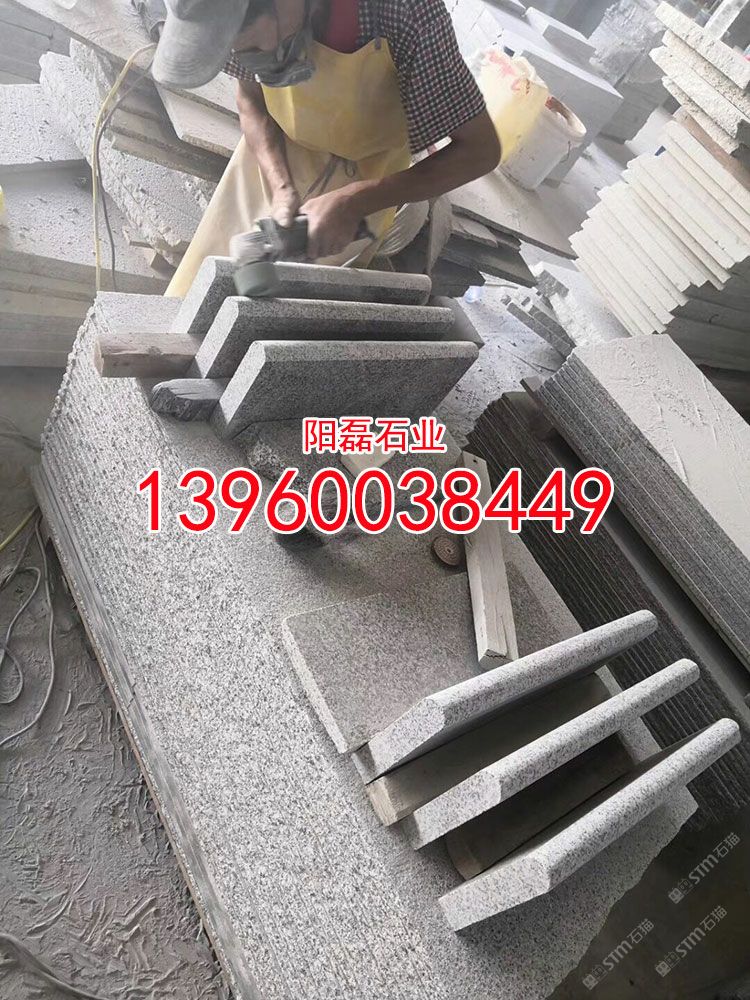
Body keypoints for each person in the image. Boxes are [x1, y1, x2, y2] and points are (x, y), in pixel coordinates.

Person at [153, 0, 501, 295]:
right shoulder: (231, 16)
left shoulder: (405, 13)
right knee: (196, 288)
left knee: (295, 313)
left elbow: (480, 151)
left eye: (253, 49)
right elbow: (250, 100)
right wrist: (281, 187)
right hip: (271, 158)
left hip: (366, 176)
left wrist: (355, 202)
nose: (248, 59)